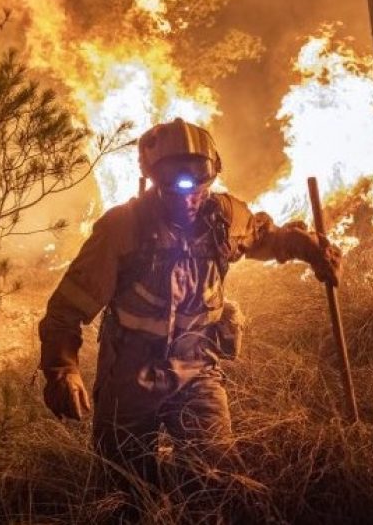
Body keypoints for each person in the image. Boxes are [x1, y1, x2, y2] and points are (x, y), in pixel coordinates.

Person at [38, 118, 341, 481]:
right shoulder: (123, 228)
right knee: (124, 484)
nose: (189, 191)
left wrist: (305, 247)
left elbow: (265, 239)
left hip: (198, 368)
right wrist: (62, 371)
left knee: (218, 477)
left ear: (214, 174)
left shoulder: (227, 217)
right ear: (153, 176)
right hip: (130, 372)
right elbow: (65, 311)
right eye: (174, 178)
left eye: (200, 177)